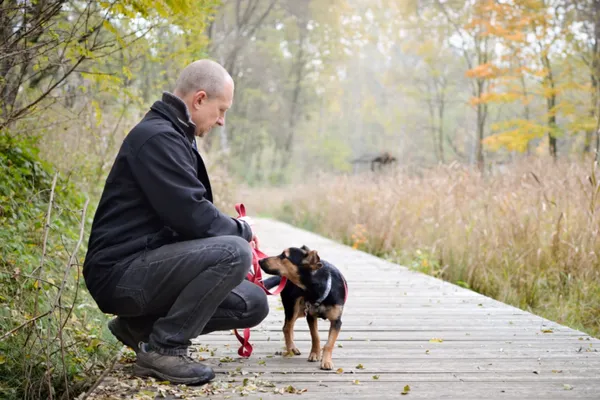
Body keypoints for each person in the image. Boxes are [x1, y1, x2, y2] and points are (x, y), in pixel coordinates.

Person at [83, 59, 269, 385]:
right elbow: (194, 217)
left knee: (252, 302)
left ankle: (138, 328)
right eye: (221, 110)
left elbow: (189, 216)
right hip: (120, 274)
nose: (222, 121)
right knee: (234, 252)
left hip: (146, 267)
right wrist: (242, 230)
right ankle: (166, 348)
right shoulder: (157, 138)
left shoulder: (175, 135)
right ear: (199, 99)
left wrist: (233, 229)